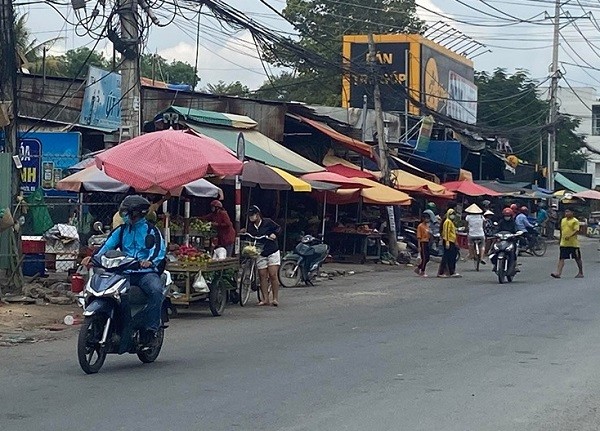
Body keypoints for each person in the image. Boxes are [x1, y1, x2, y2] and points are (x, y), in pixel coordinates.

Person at [83, 195, 166, 345]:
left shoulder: (152, 231)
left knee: (156, 290)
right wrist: (93, 258)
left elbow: (159, 251)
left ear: (137, 213)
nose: (124, 215)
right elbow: (106, 246)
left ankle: (151, 330)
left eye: (127, 212)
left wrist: (149, 262)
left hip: (144, 273)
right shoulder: (121, 230)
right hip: (122, 271)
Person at [246, 205, 281, 306]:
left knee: (273, 274)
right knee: (262, 275)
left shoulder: (268, 222)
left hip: (272, 251)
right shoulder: (250, 226)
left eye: (252, 215)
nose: (251, 217)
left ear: (257, 215)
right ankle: (265, 299)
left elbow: (278, 228)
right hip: (260, 252)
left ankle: (275, 298)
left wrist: (274, 234)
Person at [551, 208, 583, 279]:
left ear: (572, 213)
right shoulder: (563, 220)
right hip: (564, 243)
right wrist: (560, 239)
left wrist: (570, 236)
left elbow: (576, 230)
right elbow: (562, 231)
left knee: (577, 258)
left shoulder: (575, 221)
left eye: (568, 212)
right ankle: (558, 273)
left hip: (573, 244)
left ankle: (580, 272)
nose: (566, 213)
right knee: (561, 258)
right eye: (566, 212)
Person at [438, 208, 461, 278]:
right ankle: (442, 272)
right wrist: (447, 242)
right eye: (451, 214)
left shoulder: (451, 222)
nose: (453, 216)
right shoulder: (447, 222)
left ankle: (451, 271)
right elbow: (446, 232)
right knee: (447, 257)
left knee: (452, 257)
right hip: (448, 241)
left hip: (451, 241)